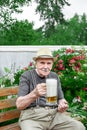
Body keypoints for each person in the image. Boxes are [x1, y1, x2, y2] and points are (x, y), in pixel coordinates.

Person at [16, 47, 85, 130]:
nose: (46, 66)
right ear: (36, 63)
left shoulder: (54, 76)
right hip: (33, 117)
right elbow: (19, 105)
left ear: (52, 64)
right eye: (42, 63)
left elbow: (61, 99)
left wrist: (63, 104)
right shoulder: (27, 76)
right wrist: (34, 94)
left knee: (79, 127)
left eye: (49, 63)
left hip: (54, 116)